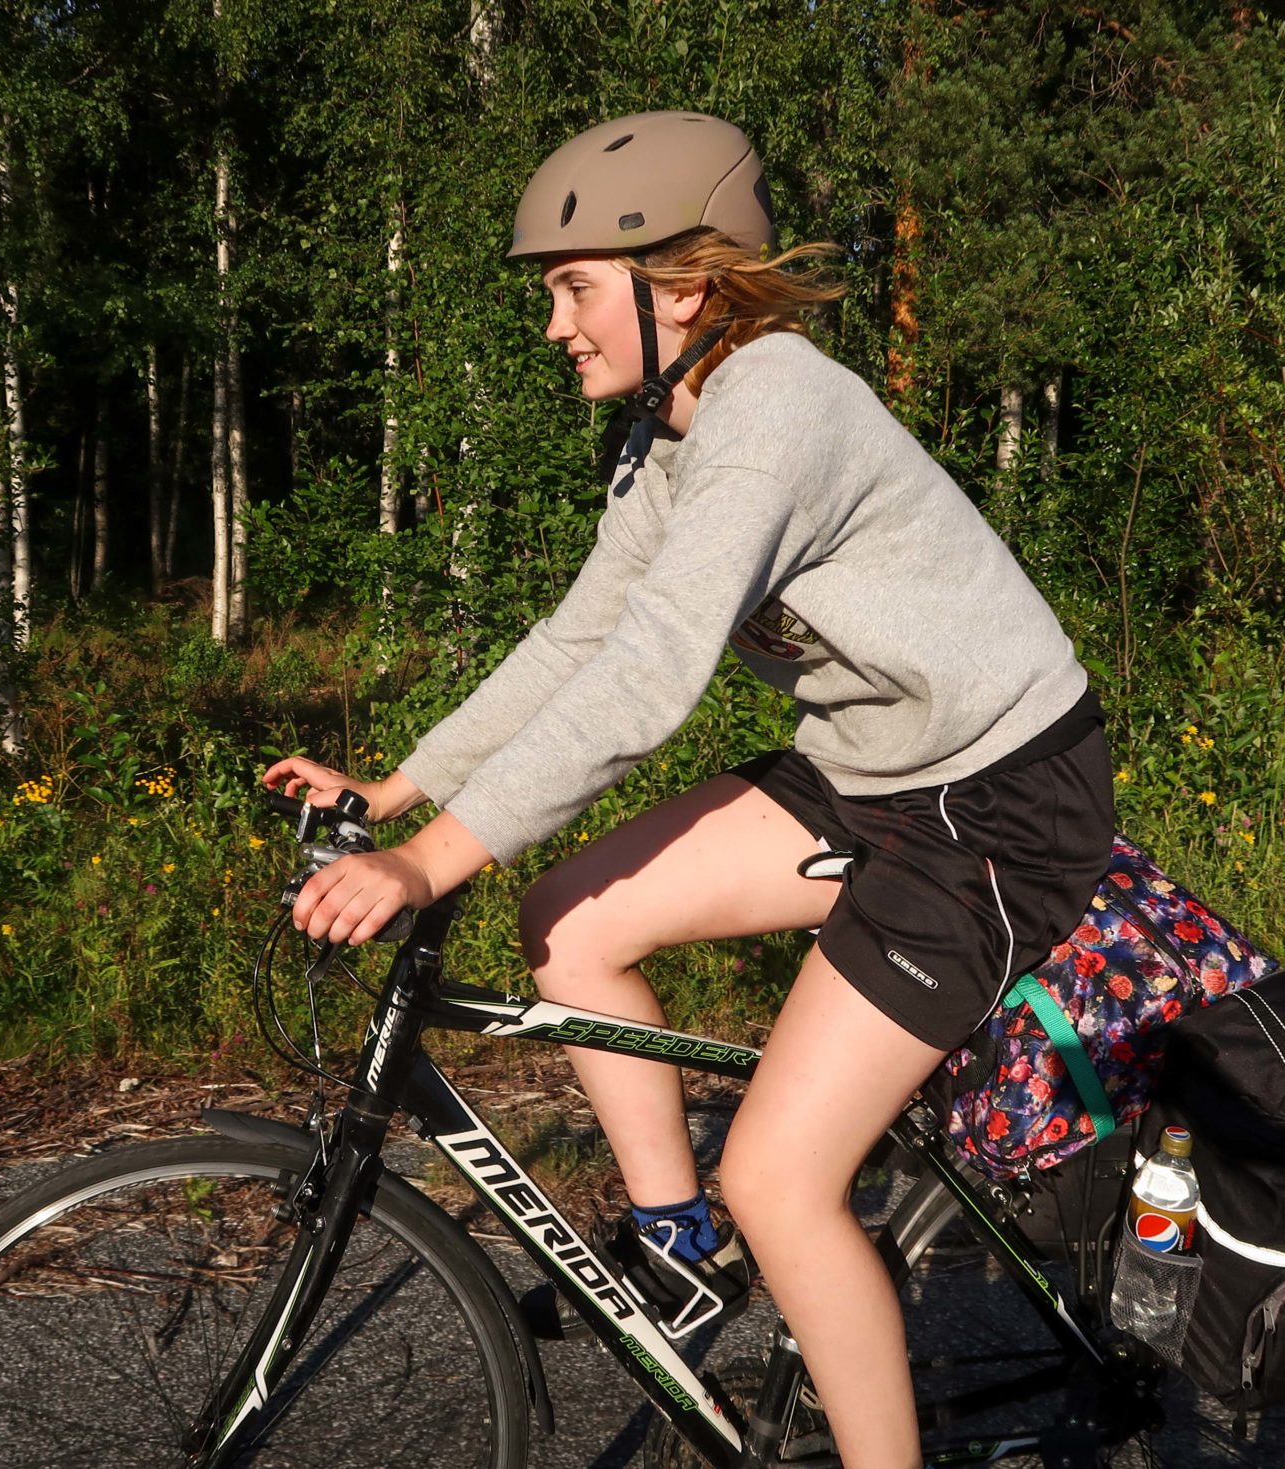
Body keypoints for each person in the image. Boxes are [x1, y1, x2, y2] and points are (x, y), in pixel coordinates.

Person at [260, 110, 1115, 1468]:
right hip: (868, 767)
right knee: (569, 918)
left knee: (780, 1179)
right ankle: (678, 1246)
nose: (556, 326)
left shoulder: (773, 412)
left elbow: (652, 674)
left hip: (997, 798)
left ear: (687, 288)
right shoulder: (669, 429)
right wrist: (402, 786)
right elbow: (582, 637)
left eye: (575, 289)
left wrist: (426, 863)